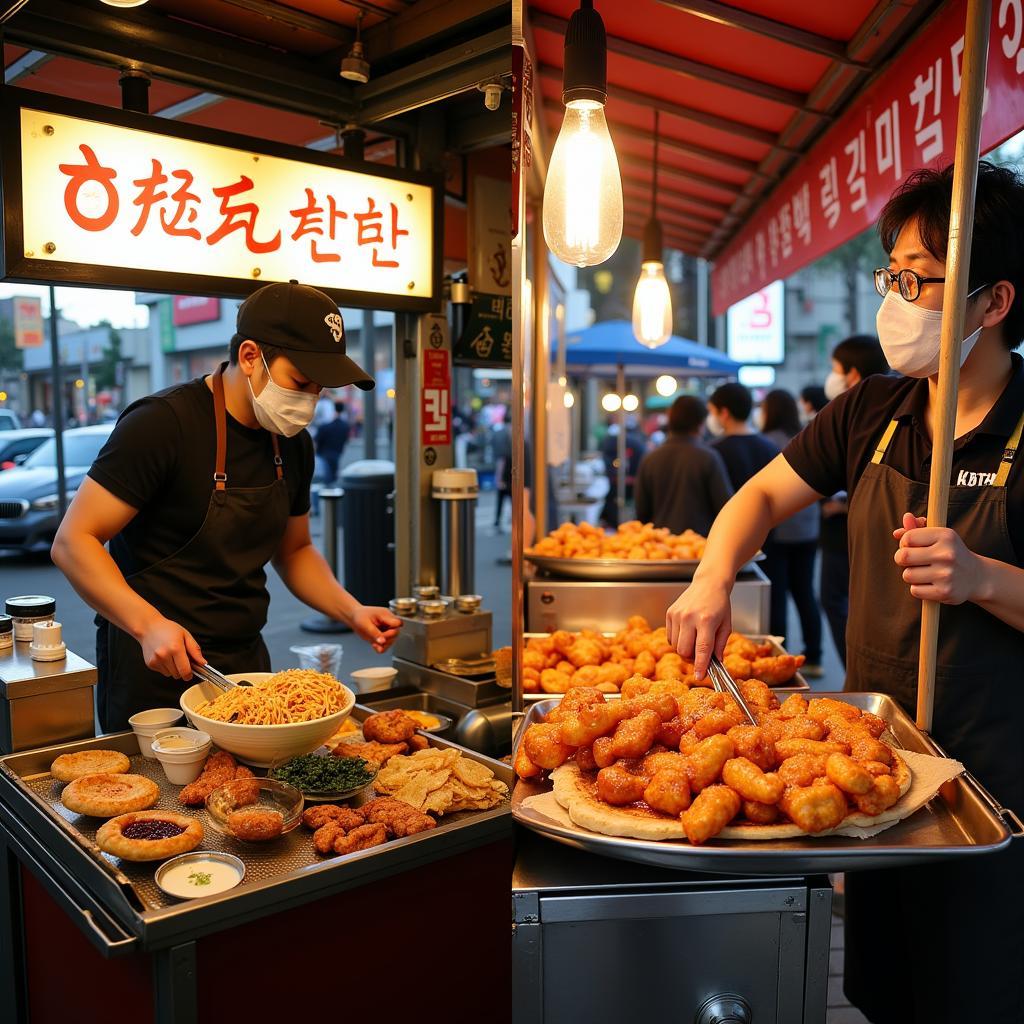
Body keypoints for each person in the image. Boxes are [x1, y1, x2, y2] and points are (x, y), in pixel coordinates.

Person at [666, 161, 1024, 1024]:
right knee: (885, 983)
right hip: (876, 769)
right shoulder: (873, 410)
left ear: (994, 300)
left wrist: (982, 577)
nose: (897, 298)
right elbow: (757, 498)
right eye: (891, 276)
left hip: (996, 784)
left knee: (977, 987)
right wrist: (713, 576)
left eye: (921, 280)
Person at [52, 282, 403, 731]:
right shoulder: (163, 424)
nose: (310, 401)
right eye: (300, 382)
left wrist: (351, 610)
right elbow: (74, 541)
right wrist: (147, 625)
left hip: (245, 662)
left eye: (319, 389)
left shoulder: (294, 445)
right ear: (251, 356)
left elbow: (294, 551)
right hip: (155, 663)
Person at [817, 336, 891, 665]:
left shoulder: (865, 411)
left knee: (839, 601)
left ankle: (852, 661)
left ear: (852, 373)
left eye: (835, 369)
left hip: (847, 539)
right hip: (854, 537)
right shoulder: (847, 413)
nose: (831, 378)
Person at [758, 389, 823, 676]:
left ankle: (782, 660)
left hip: (780, 532)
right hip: (808, 531)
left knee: (779, 595)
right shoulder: (804, 437)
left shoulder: (767, 442)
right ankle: (815, 657)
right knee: (805, 592)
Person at [634, 394, 733, 535]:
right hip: (700, 546)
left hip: (660, 546)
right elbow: (725, 508)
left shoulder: (650, 459)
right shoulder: (708, 458)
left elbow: (641, 512)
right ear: (700, 424)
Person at [706, 382, 779, 491]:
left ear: (724, 413)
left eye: (712, 411)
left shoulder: (712, 451)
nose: (711, 417)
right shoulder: (771, 447)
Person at [599, 416, 648, 527]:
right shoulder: (635, 442)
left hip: (629, 482)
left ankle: (614, 522)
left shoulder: (631, 443)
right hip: (625, 481)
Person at [315, 400, 350, 483]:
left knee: (327, 475)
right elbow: (346, 439)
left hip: (325, 452)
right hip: (337, 451)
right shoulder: (345, 426)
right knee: (333, 473)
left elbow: (318, 440)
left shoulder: (325, 426)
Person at [492, 411, 512, 533]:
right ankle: (513, 518)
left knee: (500, 497)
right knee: (512, 496)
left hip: (500, 466)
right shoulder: (509, 432)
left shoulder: (497, 433)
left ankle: (497, 521)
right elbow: (506, 456)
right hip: (508, 467)